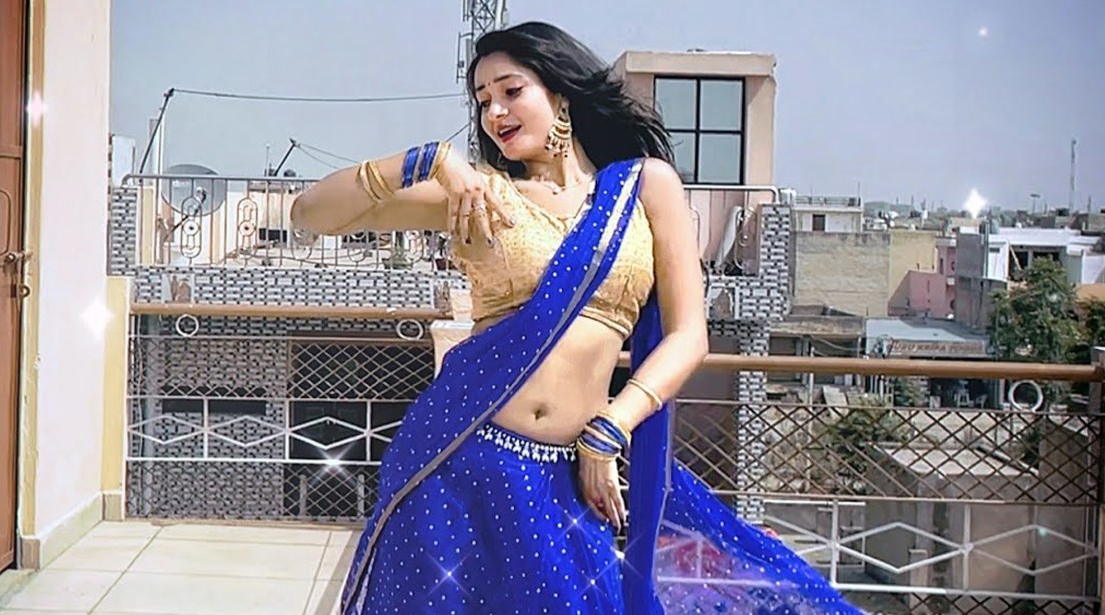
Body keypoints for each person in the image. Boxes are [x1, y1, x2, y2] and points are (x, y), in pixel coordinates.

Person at [291, 21, 860, 615]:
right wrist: (427, 160)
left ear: (560, 93)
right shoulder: (482, 194)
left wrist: (613, 425)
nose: (494, 112)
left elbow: (690, 335)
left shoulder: (645, 187)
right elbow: (311, 213)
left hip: (573, 470)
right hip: (459, 455)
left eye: (511, 91)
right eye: (483, 100)